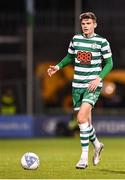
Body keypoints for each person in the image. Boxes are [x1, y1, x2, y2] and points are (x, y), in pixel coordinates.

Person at [47, 12, 113, 169]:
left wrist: (99, 78)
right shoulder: (76, 40)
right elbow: (70, 57)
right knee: (85, 123)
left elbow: (109, 63)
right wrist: (57, 67)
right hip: (76, 86)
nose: (85, 26)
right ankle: (97, 145)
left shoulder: (102, 42)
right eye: (83, 24)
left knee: (81, 118)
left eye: (88, 23)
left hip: (92, 86)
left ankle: (83, 158)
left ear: (94, 25)